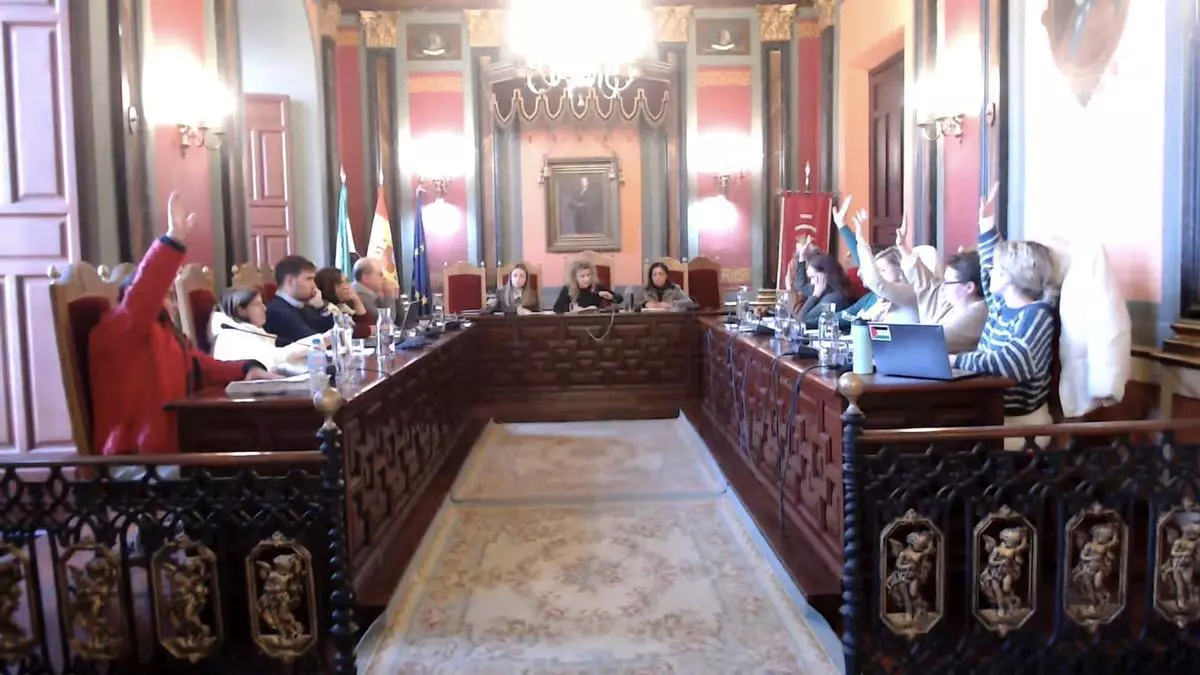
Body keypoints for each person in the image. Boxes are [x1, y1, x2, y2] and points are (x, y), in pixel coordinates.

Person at [89, 192, 275, 456]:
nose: (175, 305)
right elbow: (143, 295)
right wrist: (172, 240)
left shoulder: (166, 334)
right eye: (169, 297)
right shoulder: (121, 328)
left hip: (174, 448)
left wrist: (247, 369)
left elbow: (200, 367)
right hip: (136, 460)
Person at [952, 184, 1059, 445]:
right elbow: (989, 261)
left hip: (1019, 423)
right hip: (991, 410)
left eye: (998, 270)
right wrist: (986, 224)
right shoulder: (1001, 304)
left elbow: (1010, 362)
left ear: (1012, 277)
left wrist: (955, 360)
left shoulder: (1037, 315)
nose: (989, 272)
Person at [896, 230, 989, 354]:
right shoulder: (953, 301)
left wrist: (897, 340)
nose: (943, 287)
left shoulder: (978, 313)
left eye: (948, 282)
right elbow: (926, 284)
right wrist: (903, 247)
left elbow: (934, 340)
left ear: (969, 287)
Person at [209, 287, 324, 376]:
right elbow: (276, 360)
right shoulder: (231, 337)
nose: (265, 308)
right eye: (257, 304)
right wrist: (321, 340)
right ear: (241, 310)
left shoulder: (246, 330)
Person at [264, 255, 334, 346]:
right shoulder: (277, 311)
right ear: (290, 280)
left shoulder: (304, 306)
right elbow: (314, 341)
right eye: (309, 279)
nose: (314, 285)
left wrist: (321, 306)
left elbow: (331, 329)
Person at [796, 254, 853, 328]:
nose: (811, 282)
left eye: (812, 277)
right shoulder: (826, 291)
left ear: (824, 276)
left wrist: (815, 295)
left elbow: (801, 321)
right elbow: (801, 286)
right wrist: (801, 259)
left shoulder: (833, 299)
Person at [315, 267, 372, 339]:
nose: (346, 287)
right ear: (328, 287)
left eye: (347, 282)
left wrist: (356, 300)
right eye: (339, 284)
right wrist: (366, 329)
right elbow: (360, 331)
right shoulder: (326, 309)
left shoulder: (343, 307)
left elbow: (365, 324)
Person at [553, 260, 623, 313]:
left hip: (595, 323)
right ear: (575, 277)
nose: (587, 279)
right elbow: (557, 308)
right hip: (574, 323)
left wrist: (611, 297)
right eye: (582, 276)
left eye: (589, 275)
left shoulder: (597, 286)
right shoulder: (568, 288)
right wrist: (570, 310)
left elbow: (619, 299)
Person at [351, 258, 398, 324]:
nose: (384, 278)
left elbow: (402, 321)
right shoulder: (360, 296)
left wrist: (395, 295)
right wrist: (389, 295)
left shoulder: (371, 293)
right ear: (366, 278)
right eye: (380, 274)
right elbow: (386, 323)